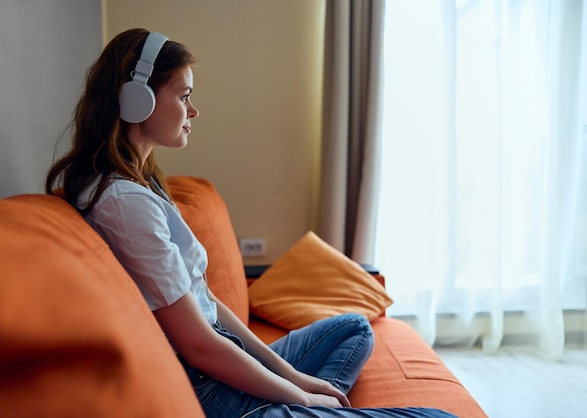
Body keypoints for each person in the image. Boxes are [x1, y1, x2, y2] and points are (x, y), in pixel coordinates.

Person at [45, 28, 456, 418]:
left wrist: (297, 380)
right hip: (211, 385)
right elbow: (199, 346)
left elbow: (204, 300)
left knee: (354, 327)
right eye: (184, 96)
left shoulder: (139, 183)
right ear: (137, 100)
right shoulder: (124, 203)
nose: (194, 110)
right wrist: (301, 394)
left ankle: (289, 409)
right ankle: (283, 408)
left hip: (223, 358)